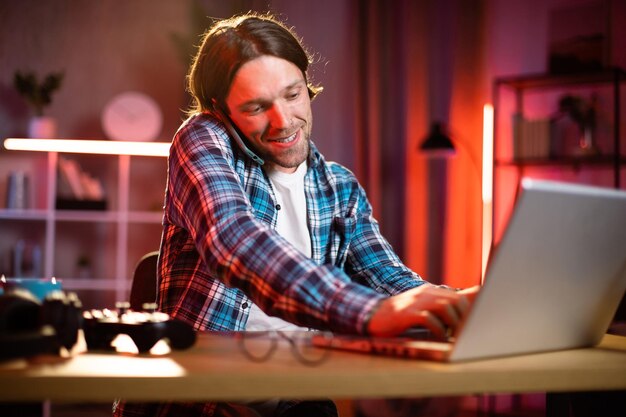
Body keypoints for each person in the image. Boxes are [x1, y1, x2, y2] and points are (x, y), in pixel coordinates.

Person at [113, 12, 478, 417]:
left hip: (297, 399)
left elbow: (391, 280)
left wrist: (458, 305)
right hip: (203, 402)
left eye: (293, 95)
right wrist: (371, 312)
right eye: (256, 107)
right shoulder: (201, 139)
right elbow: (234, 240)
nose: (283, 121)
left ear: (307, 85)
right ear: (221, 109)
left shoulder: (338, 186)